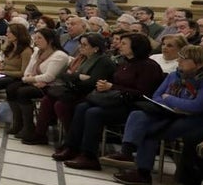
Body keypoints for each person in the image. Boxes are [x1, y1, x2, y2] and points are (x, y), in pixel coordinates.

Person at [112, 45, 203, 185]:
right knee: (138, 114)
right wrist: (175, 104)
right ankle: (127, 152)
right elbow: (157, 96)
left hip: (198, 120)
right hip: (170, 113)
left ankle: (142, 172)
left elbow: (196, 106)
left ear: (199, 64)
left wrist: (169, 98)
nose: (179, 60)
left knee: (149, 131)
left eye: (184, 58)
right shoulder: (175, 75)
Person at [56, 33, 164, 170]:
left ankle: (89, 156)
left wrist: (112, 87)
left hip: (133, 105)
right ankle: (72, 147)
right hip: (116, 100)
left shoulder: (149, 66)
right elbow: (117, 82)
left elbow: (144, 93)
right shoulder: (125, 63)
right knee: (82, 107)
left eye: (124, 43)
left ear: (136, 46)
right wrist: (105, 85)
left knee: (93, 113)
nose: (119, 46)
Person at [28, 32, 115, 146]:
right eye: (80, 44)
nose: (80, 47)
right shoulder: (82, 58)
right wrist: (78, 76)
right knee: (47, 100)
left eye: (84, 45)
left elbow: (92, 83)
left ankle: (72, 141)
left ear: (96, 48)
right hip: (74, 89)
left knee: (61, 105)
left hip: (90, 95)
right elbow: (64, 75)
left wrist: (74, 76)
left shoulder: (103, 61)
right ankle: (40, 134)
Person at [4, 28, 70, 140]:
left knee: (23, 92)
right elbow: (27, 71)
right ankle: (18, 122)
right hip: (36, 82)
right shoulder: (37, 52)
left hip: (51, 86)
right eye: (35, 38)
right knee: (11, 88)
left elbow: (49, 77)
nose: (36, 41)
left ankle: (29, 127)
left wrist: (30, 79)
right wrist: (31, 79)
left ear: (50, 40)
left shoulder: (59, 55)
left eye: (39, 38)